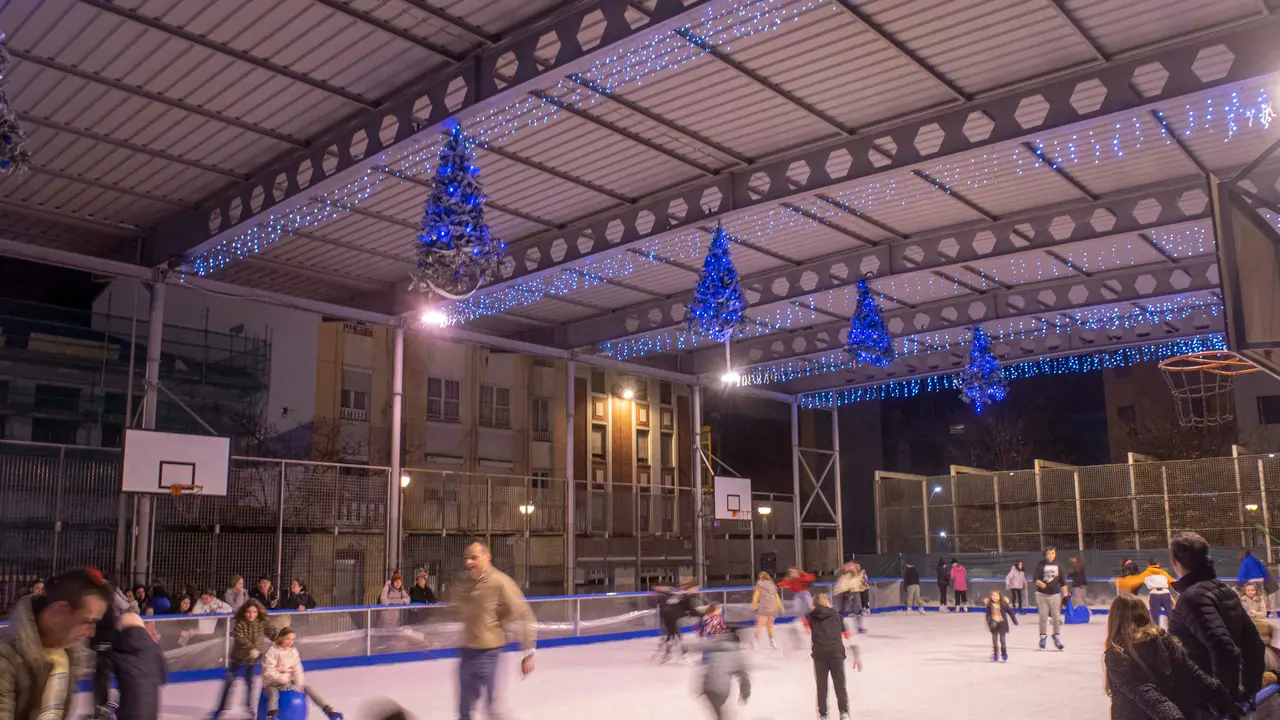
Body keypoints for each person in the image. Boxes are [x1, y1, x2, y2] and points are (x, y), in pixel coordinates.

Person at [1103, 593, 1238, 720]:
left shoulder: (1117, 652)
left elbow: (1145, 692)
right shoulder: (1162, 640)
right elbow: (1194, 674)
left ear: (1114, 621)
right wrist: (1223, 700)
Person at [1168, 531, 1266, 706]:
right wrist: (1250, 689)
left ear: (1174, 560)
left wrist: (1223, 701)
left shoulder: (1192, 598)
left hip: (1201, 699)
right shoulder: (1225, 590)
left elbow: (1224, 649)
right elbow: (1254, 645)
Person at [0, 568, 108, 720]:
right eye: (87, 621)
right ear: (61, 610)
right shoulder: (5, 657)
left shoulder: (69, 655)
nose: (91, 633)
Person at [448, 540, 535, 720]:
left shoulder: (501, 582)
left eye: (474, 558)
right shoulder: (464, 582)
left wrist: (528, 652)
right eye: (466, 558)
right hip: (466, 653)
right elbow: (453, 609)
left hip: (489, 654)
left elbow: (525, 615)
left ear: (487, 558)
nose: (468, 562)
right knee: (464, 709)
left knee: (493, 709)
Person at [212, 599, 277, 719]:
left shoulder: (262, 623)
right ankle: (220, 710)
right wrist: (252, 648)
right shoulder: (240, 623)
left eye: (254, 612)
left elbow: (272, 633)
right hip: (237, 660)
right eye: (249, 612)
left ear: (258, 612)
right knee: (228, 684)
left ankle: (250, 710)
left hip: (251, 662)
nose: (251, 615)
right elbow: (240, 638)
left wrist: (280, 639)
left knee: (250, 686)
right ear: (244, 612)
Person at [260, 627, 342, 720]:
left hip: (288, 683)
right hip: (272, 683)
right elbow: (268, 671)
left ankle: (329, 711)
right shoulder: (272, 651)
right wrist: (284, 679)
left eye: (292, 639)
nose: (290, 642)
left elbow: (298, 669)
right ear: (281, 638)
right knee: (274, 694)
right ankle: (272, 716)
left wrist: (299, 684)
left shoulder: (293, 652)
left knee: (308, 689)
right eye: (287, 639)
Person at [807, 594, 860, 720]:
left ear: (814, 605)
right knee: (840, 684)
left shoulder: (810, 616)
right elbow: (849, 637)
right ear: (828, 603)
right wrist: (856, 655)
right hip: (836, 653)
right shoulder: (837, 616)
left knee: (821, 686)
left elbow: (799, 627)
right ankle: (844, 712)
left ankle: (823, 714)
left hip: (820, 654)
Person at [92, 577, 134, 719]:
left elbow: (125, 605)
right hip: (106, 642)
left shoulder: (103, 602)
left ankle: (103, 703)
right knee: (104, 674)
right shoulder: (105, 604)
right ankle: (103, 704)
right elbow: (125, 605)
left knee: (103, 674)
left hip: (105, 642)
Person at [112, 612, 166, 720]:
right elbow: (163, 678)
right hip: (151, 714)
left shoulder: (117, 649)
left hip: (127, 714)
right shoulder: (156, 648)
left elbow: (102, 678)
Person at [691, 622, 750, 720]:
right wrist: (745, 694)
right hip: (721, 691)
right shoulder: (737, 656)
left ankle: (720, 716)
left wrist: (685, 646)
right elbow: (744, 678)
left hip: (707, 687)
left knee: (718, 711)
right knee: (720, 710)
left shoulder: (715, 644)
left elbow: (698, 645)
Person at [1034, 546, 1069, 650]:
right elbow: (1035, 579)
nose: (1051, 556)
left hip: (1055, 595)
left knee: (1056, 618)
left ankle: (1057, 637)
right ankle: (1043, 637)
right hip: (1042, 595)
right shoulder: (1041, 565)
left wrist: (1066, 596)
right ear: (1045, 555)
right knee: (1043, 617)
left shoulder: (1060, 566)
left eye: (1053, 553)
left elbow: (1063, 582)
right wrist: (1041, 584)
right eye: (1049, 553)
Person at [984, 589, 1018, 662]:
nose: (994, 597)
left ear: (1000, 596)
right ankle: (996, 653)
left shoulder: (1003, 604)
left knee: (1002, 640)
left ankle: (1004, 653)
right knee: (995, 640)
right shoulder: (989, 605)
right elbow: (987, 615)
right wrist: (989, 623)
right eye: (993, 596)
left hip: (1003, 625)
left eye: (996, 596)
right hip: (994, 625)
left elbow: (1011, 613)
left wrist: (1015, 621)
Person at [751, 572, 783, 647]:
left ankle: (756, 641)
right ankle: (772, 641)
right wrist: (780, 606)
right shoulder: (772, 585)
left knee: (760, 624)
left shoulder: (759, 584)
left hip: (765, 607)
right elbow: (776, 597)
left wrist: (754, 606)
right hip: (774, 607)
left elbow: (756, 596)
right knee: (769, 625)